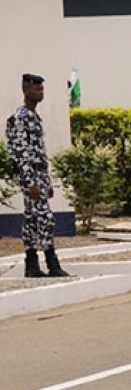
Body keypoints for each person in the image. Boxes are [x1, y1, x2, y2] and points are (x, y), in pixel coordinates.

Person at [5, 74, 69, 278]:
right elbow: (20, 151)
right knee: (45, 218)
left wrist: (47, 182)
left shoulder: (34, 117)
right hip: (30, 175)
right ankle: (51, 263)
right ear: (25, 90)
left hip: (39, 174)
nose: (40, 93)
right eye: (36, 90)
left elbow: (40, 151)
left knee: (33, 220)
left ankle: (32, 265)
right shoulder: (20, 118)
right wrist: (30, 181)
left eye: (42, 89)